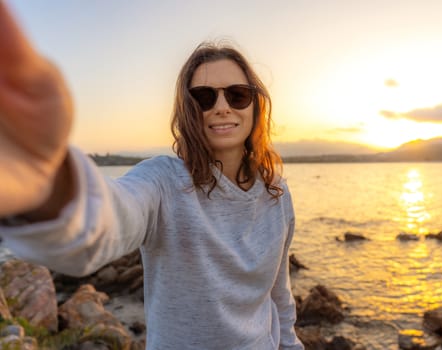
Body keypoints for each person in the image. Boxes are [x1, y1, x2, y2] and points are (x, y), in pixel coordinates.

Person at [0, 3, 304, 349]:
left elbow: (279, 293)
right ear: (189, 110)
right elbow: (110, 222)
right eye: (204, 97)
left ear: (255, 104)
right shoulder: (163, 181)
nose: (222, 106)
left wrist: (291, 345)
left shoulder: (276, 192)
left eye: (237, 94)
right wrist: (47, 187)